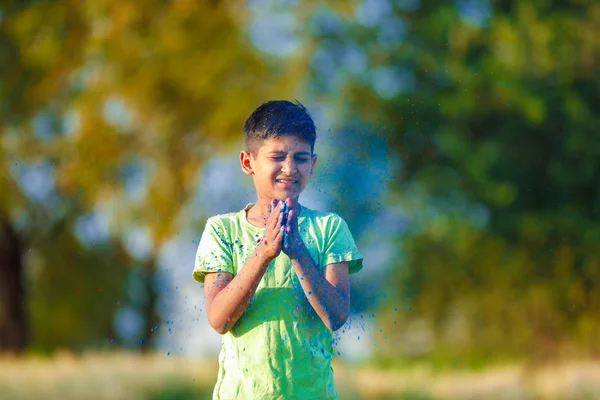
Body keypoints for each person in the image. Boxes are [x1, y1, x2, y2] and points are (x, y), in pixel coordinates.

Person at [193, 100, 363, 399]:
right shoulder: (222, 230)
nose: (289, 168)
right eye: (277, 156)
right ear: (249, 162)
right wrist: (263, 253)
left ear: (313, 164)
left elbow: (335, 317)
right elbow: (220, 319)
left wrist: (297, 252)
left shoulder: (329, 229)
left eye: (300, 158)